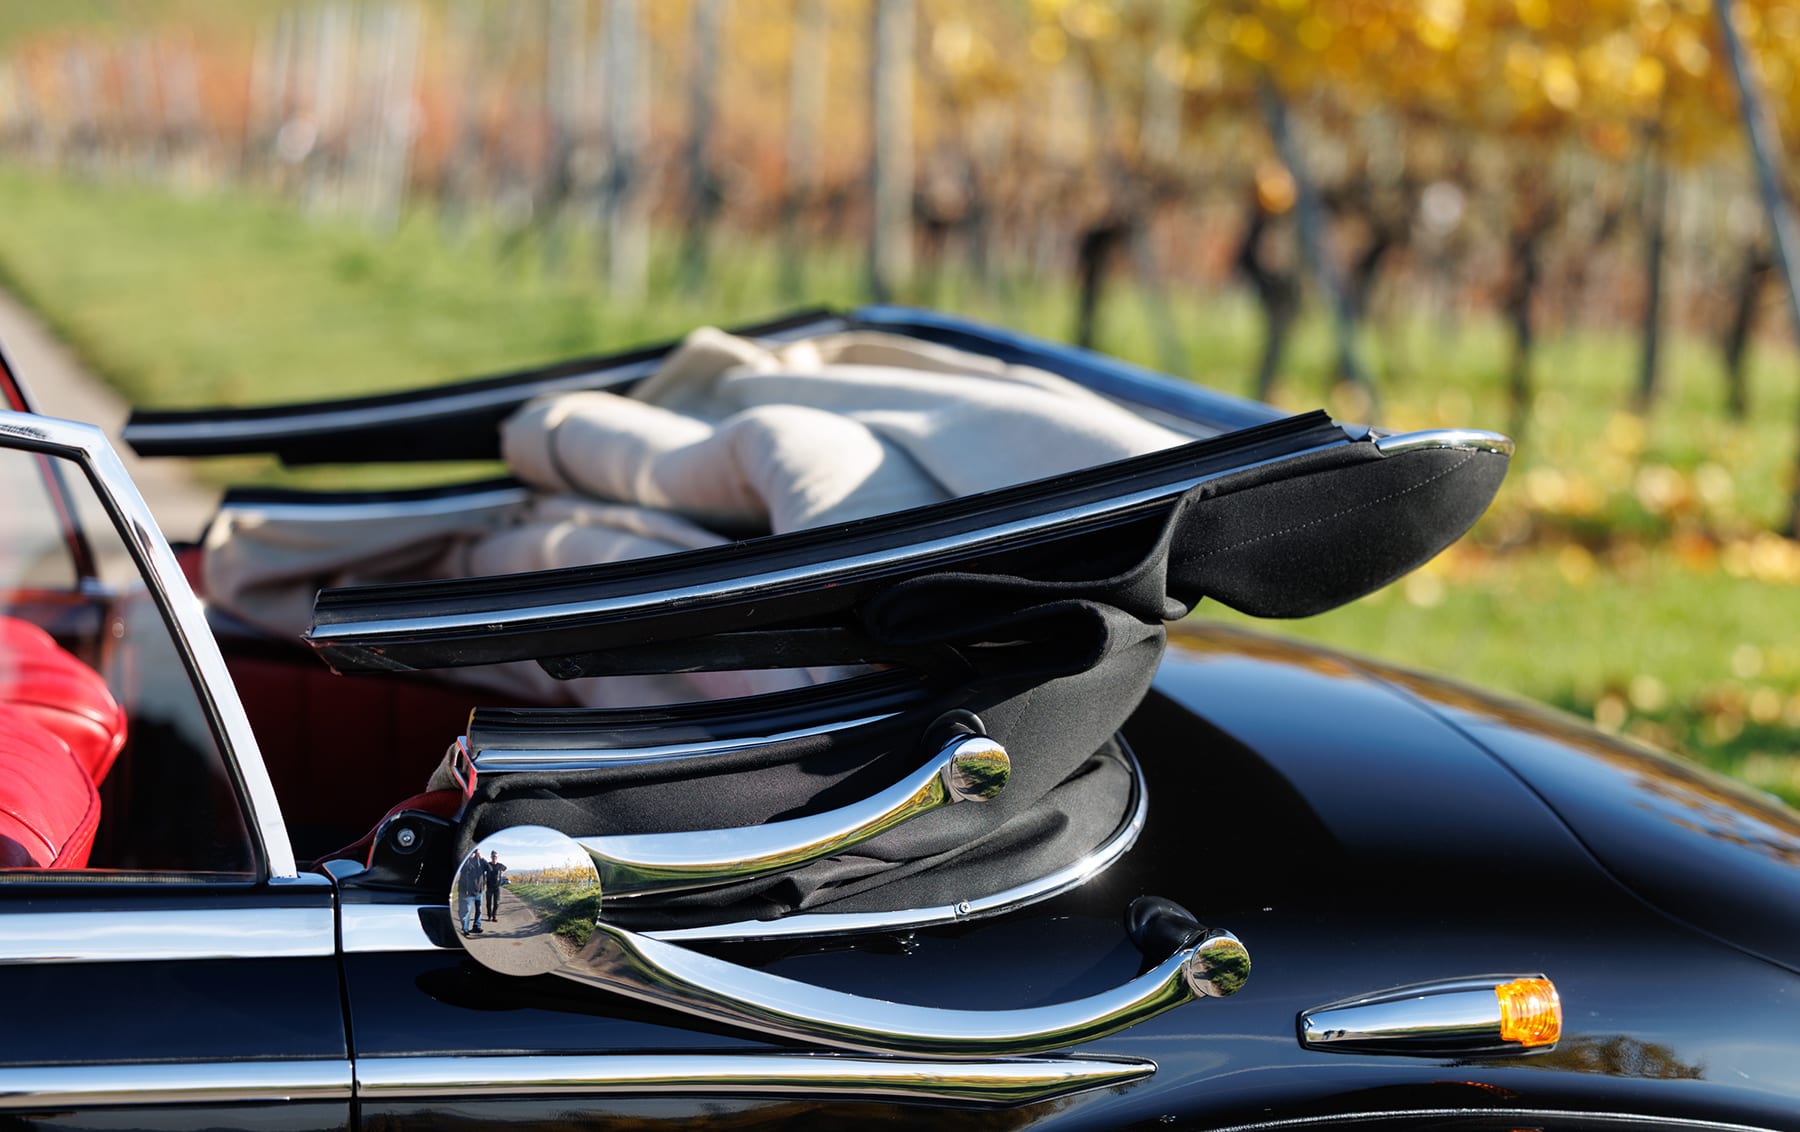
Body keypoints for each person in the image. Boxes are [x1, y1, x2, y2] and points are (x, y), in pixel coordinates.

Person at [456, 851, 486, 935]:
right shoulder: (465, 861)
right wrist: (468, 857)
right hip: (467, 892)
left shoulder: (480, 862)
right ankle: (465, 929)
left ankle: (476, 926)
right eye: (472, 851)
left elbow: (489, 868)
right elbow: (463, 868)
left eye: (475, 851)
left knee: (479, 910)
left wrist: (481, 857)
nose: (474, 853)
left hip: (478, 892)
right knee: (466, 912)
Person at [485, 850, 506, 922]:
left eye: (496, 856)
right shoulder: (488, 865)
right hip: (489, 887)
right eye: (493, 856)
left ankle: (494, 916)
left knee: (496, 903)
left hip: (497, 887)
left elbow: (505, 868)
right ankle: (489, 916)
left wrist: (502, 873)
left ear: (497, 857)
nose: (494, 857)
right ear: (491, 857)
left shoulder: (500, 865)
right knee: (488, 903)